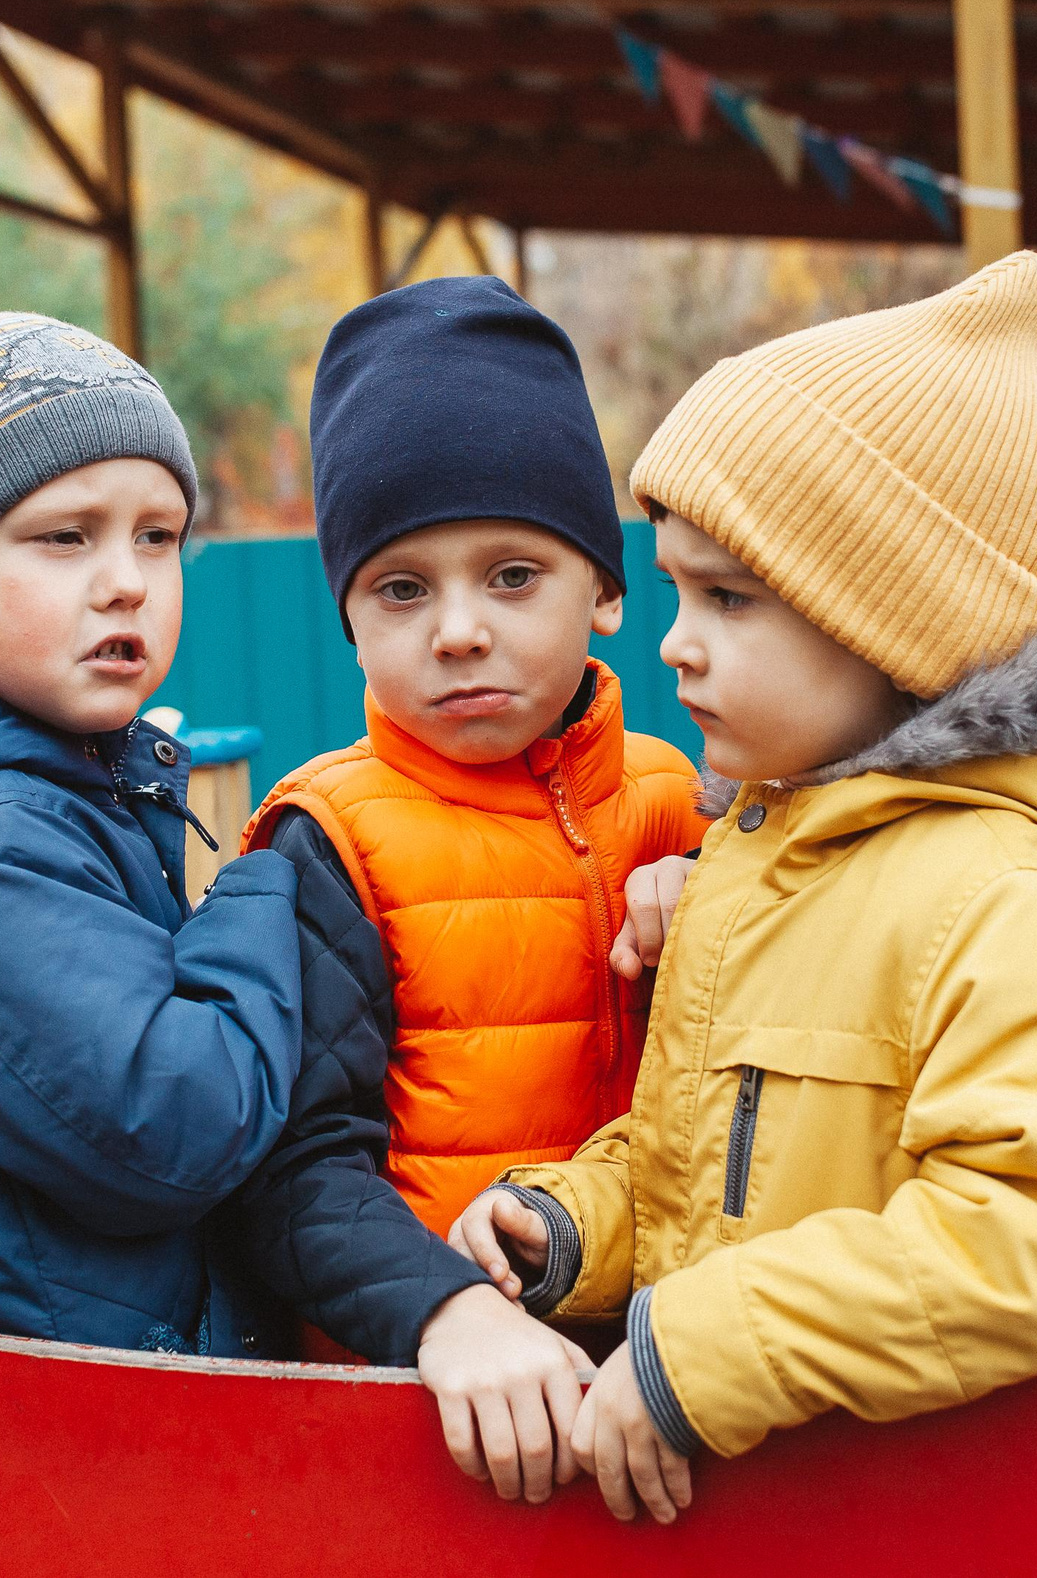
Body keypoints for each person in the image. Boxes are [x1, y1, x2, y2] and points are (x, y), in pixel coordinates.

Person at [0, 315, 574, 1492]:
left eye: (159, 536)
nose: (126, 579)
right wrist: (274, 876)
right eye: (63, 536)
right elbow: (179, 1121)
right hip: (39, 1446)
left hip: (98, 1412)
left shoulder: (46, 789)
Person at [449, 253, 1037, 1524]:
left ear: (896, 627)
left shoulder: (976, 889)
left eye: (728, 598)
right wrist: (569, 1226)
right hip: (754, 1507)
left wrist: (706, 1352)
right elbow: (710, 1160)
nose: (675, 638)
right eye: (676, 587)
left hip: (888, 1514)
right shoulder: (758, 855)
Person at [238, 278, 710, 1487]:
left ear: (606, 590)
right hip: (428, 1413)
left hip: (680, 1396)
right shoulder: (331, 836)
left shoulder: (686, 802)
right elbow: (293, 1171)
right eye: (402, 587)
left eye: (512, 575)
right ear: (350, 618)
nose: (457, 628)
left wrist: (722, 910)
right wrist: (449, 1313)